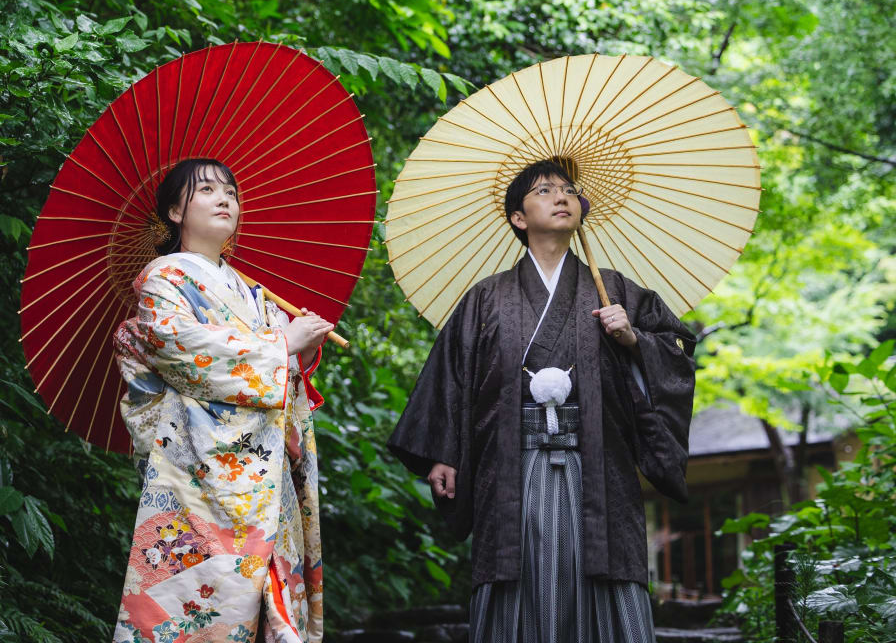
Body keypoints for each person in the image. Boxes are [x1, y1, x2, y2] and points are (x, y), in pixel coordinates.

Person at [388, 158, 697, 643]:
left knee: (605, 566)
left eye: (569, 191)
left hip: (598, 464)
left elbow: (677, 353)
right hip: (511, 464)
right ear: (517, 217)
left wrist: (634, 338)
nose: (561, 197)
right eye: (546, 191)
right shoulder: (485, 299)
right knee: (519, 573)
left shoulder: (612, 290)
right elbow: (451, 376)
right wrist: (444, 454)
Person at [111, 158, 334, 643]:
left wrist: (299, 347)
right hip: (198, 473)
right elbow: (177, 347)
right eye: (207, 190)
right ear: (174, 211)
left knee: (264, 606)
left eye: (230, 192)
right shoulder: (163, 278)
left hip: (264, 472)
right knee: (199, 607)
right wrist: (281, 346)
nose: (224, 199)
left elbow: (277, 375)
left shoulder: (249, 291)